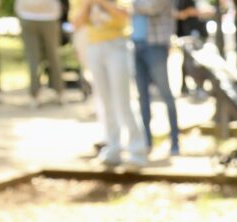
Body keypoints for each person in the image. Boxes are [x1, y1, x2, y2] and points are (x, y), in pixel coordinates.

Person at [73, 0, 144, 166]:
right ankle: (113, 148)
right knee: (105, 102)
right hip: (93, 46)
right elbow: (76, 23)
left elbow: (124, 15)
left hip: (117, 45)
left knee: (123, 101)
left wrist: (101, 2)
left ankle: (137, 151)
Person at [130, 0, 177, 158]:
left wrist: (129, 5)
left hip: (156, 45)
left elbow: (151, 8)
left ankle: (175, 142)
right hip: (136, 44)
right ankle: (146, 142)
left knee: (166, 95)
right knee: (142, 97)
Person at [17, 0, 66, 105]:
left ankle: (35, 96)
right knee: (53, 56)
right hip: (47, 15)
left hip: (28, 14)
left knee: (34, 58)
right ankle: (59, 92)